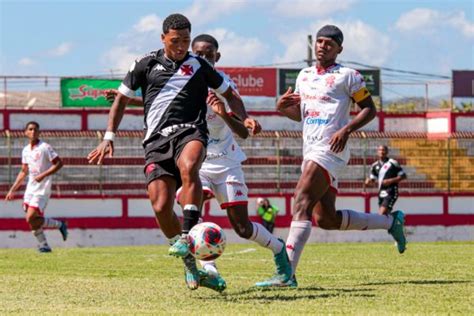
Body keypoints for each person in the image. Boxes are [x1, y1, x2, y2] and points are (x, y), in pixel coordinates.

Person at [106, 33, 292, 292]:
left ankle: (280, 251)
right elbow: (159, 101)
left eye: (208, 54)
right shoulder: (184, 76)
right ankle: (208, 271)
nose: (203, 58)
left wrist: (227, 115)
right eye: (199, 53)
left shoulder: (222, 84)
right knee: (191, 209)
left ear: (217, 57)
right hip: (196, 158)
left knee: (241, 226)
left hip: (227, 162)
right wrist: (123, 98)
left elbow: (243, 132)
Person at [87, 14, 260, 291]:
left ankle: (186, 233)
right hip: (156, 141)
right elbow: (121, 99)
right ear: (163, 38)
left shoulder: (199, 65)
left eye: (186, 41)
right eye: (176, 41)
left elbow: (231, 95)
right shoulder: (144, 64)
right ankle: (191, 265)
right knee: (160, 206)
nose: (182, 47)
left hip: (191, 131)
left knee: (190, 166)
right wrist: (108, 137)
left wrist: (244, 117)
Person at [255, 25, 407, 288]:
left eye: (329, 43)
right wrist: (282, 109)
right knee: (326, 219)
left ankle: (286, 273)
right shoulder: (303, 75)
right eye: (320, 42)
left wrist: (346, 130)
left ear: (339, 49)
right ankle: (390, 221)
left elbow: (369, 110)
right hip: (310, 149)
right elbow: (302, 115)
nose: (323, 46)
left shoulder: (349, 76)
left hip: (331, 149)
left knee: (300, 199)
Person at [5, 121, 68, 252]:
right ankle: (44, 245)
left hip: (42, 188)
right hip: (30, 188)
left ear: (39, 132)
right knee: (32, 220)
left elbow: (59, 163)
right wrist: (12, 190)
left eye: (36, 129)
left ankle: (59, 224)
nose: (33, 132)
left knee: (30, 216)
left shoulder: (45, 147)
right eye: (30, 129)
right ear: (26, 132)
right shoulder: (25, 150)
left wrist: (43, 175)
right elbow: (23, 171)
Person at [365, 145, 407, 215]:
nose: (382, 152)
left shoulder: (393, 163)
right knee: (385, 215)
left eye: (383, 150)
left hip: (391, 191)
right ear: (377, 152)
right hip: (381, 192)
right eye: (380, 150)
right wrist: (368, 182)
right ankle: (396, 222)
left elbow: (403, 176)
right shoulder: (374, 165)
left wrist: (390, 181)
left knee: (382, 213)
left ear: (387, 152)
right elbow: (373, 180)